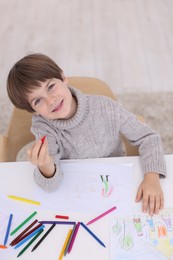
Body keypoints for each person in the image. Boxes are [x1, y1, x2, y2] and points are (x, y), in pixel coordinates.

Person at [6, 53, 166, 216]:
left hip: (115, 181)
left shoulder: (106, 107)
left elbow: (149, 137)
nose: (51, 100)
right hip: (77, 192)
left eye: (50, 87)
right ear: (33, 111)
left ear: (63, 77)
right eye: (38, 101)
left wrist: (152, 177)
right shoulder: (43, 127)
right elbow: (51, 185)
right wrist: (45, 165)